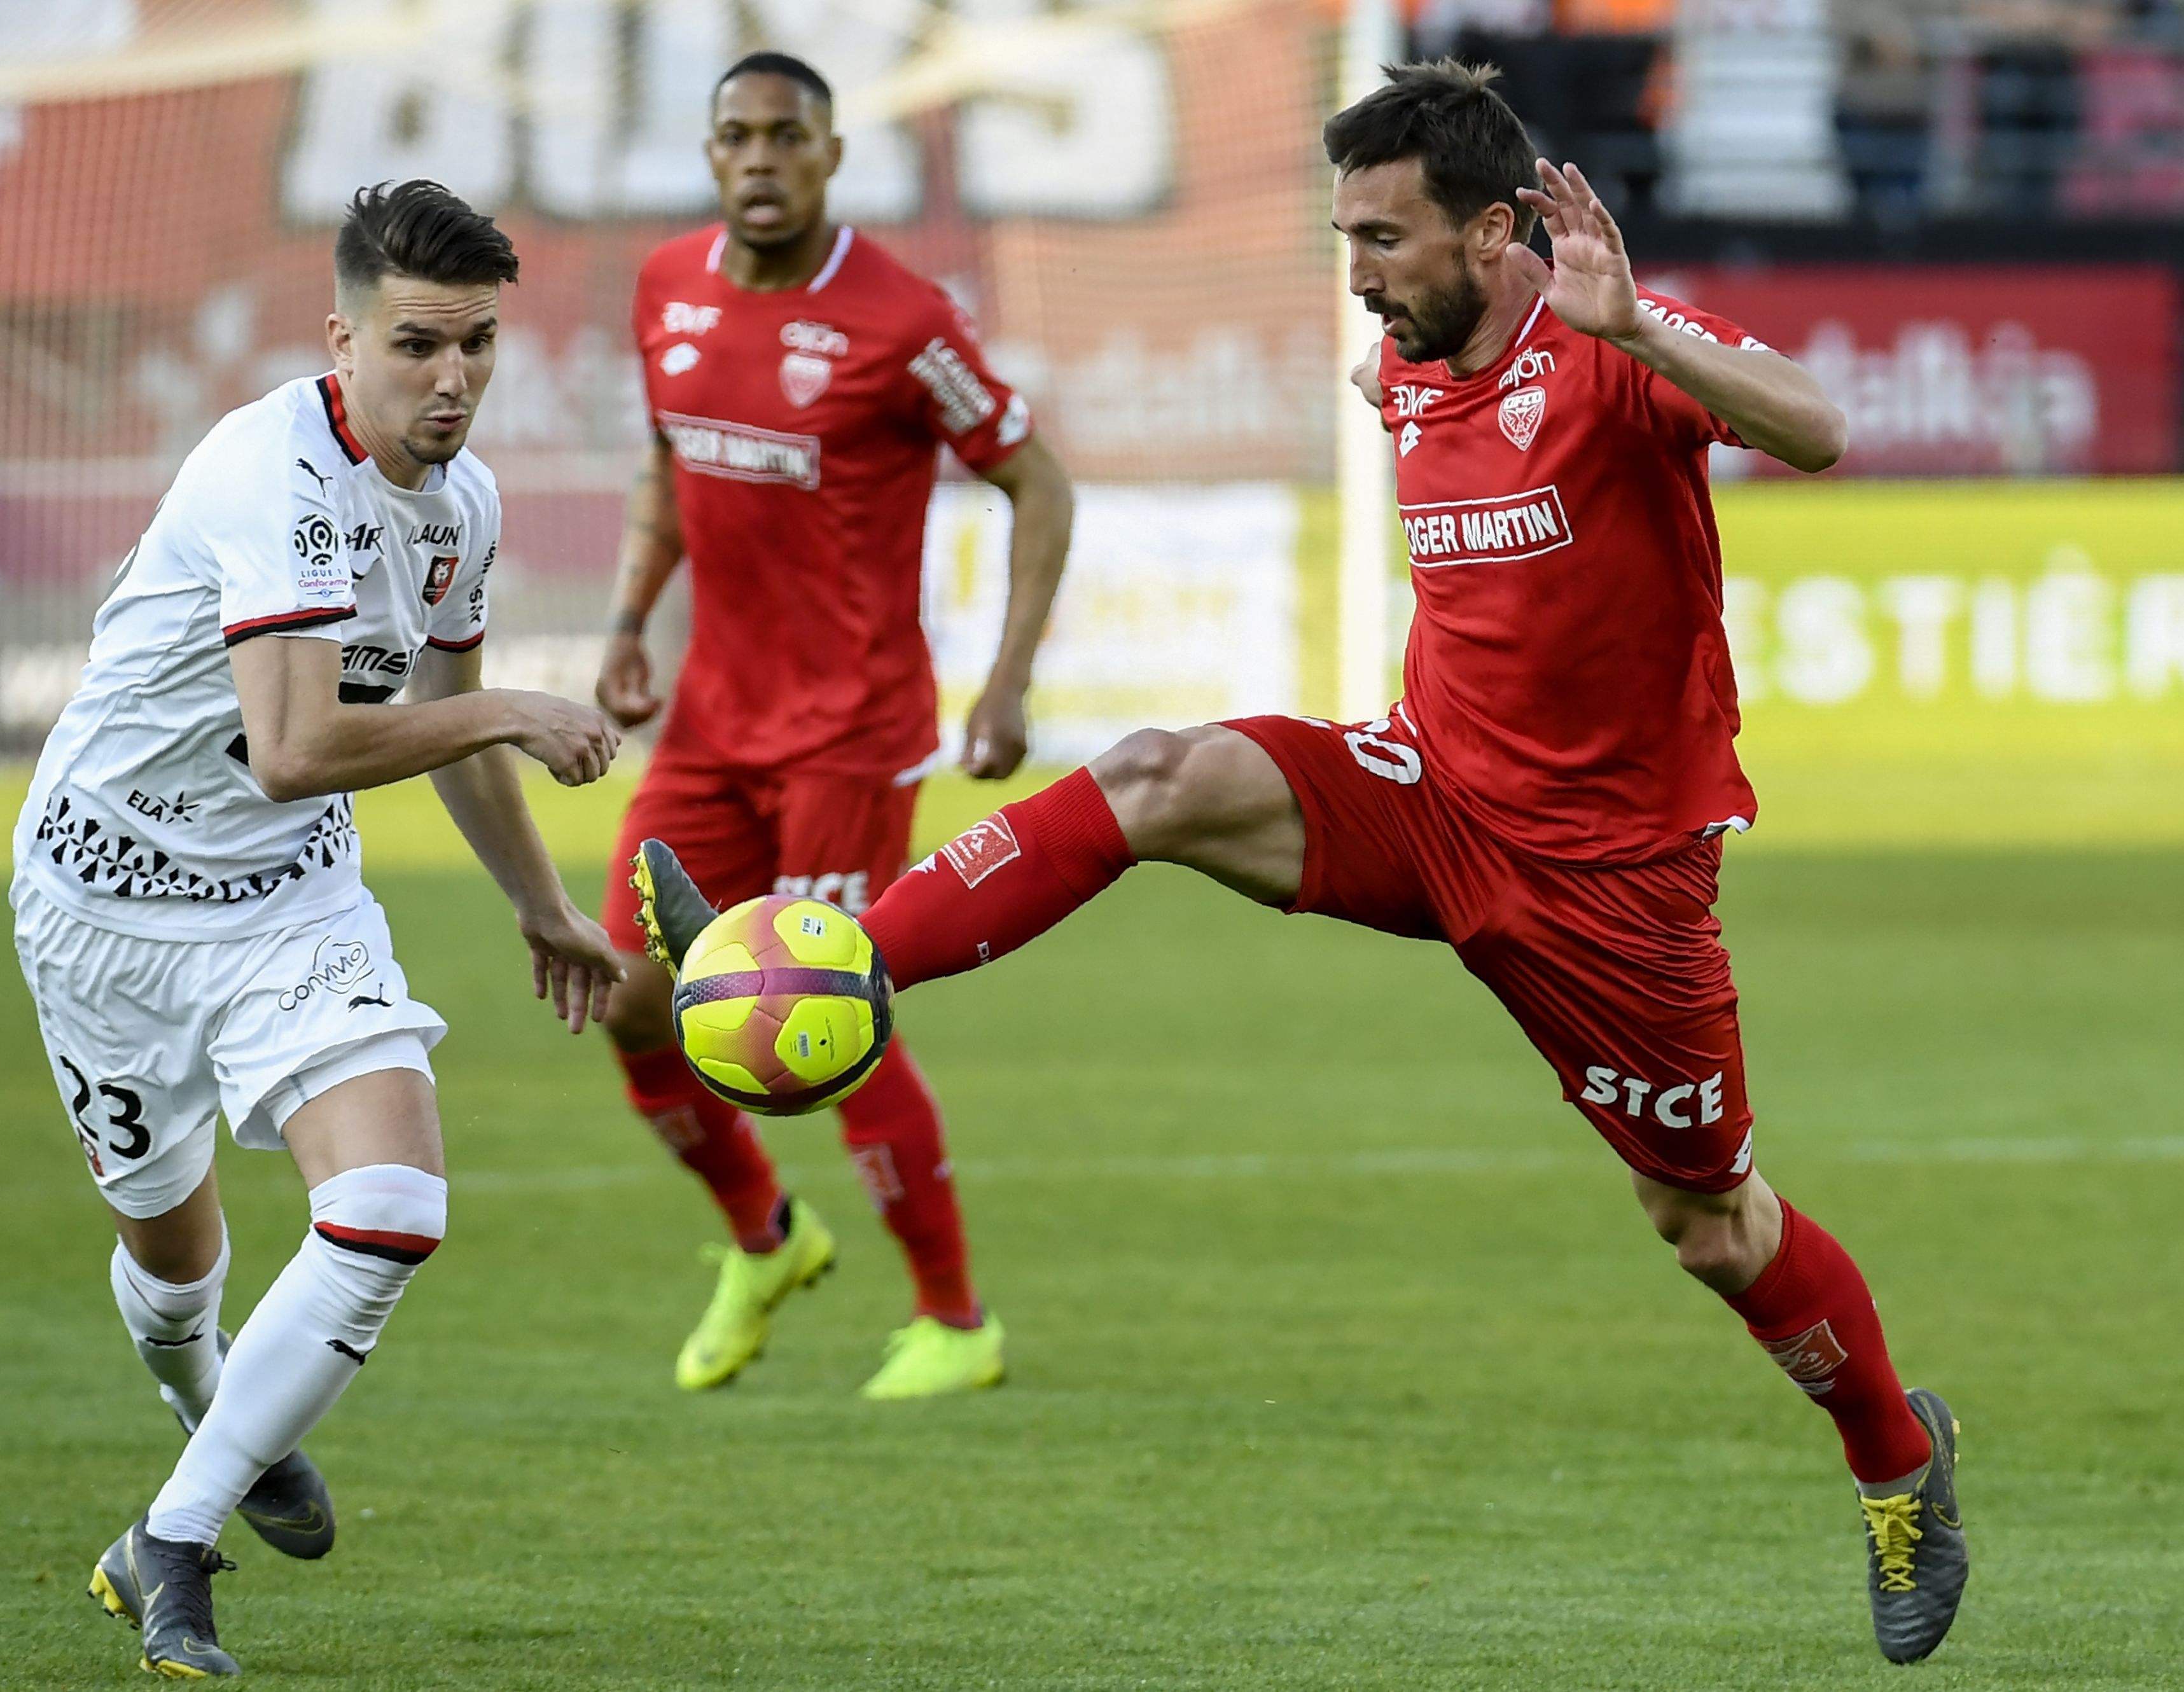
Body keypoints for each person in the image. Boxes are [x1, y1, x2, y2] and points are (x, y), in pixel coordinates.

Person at [634, 62, 1968, 1663]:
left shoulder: (1609, 354)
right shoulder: (1402, 360)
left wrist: (1635, 327)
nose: (1356, 270)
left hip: (1607, 885)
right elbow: (1414, 406)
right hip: (1423, 793)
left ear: (1491, 236)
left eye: (1382, 238)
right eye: (1342, 234)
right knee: (1153, 776)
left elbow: (1817, 428)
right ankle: (834, 962)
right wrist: (1401, 339)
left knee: (1707, 1224)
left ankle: (1896, 1460)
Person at [11, 180, 626, 1677]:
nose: (455, 380)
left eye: (479, 345)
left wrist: (543, 905)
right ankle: (205, 1391)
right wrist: (509, 701)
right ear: (342, 335)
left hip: (287, 899)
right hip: (106, 906)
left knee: (394, 1208)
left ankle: (171, 1536)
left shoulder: (460, 506)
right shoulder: (267, 472)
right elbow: (299, 741)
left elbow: (428, 737)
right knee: (171, 1262)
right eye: (420, 345)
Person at [595, 51, 1074, 1399]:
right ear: (708, 156)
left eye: (785, 138)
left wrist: (1006, 678)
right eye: (735, 138)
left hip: (849, 736)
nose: (759, 160)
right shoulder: (665, 288)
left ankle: (953, 1318)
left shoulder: (899, 319)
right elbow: (665, 461)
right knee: (635, 1000)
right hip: (707, 727)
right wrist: (632, 621)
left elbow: (1037, 483)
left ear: (829, 155)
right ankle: (764, 1236)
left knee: (829, 1013)